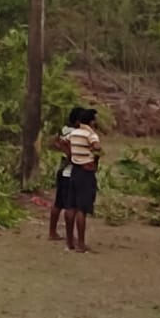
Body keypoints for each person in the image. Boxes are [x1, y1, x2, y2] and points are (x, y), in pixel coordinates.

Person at [62, 108, 101, 252]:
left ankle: (69, 242)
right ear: (91, 121)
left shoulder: (74, 132)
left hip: (75, 170)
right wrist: (93, 153)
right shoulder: (91, 134)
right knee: (82, 208)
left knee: (71, 206)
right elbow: (97, 147)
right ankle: (81, 244)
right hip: (86, 171)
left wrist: (71, 155)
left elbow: (62, 141)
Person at [49, 106, 82, 242]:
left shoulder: (64, 129)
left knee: (58, 203)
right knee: (71, 206)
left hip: (63, 171)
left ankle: (52, 232)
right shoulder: (75, 133)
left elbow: (55, 142)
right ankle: (70, 236)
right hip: (70, 172)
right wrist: (70, 157)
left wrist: (63, 150)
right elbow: (71, 151)